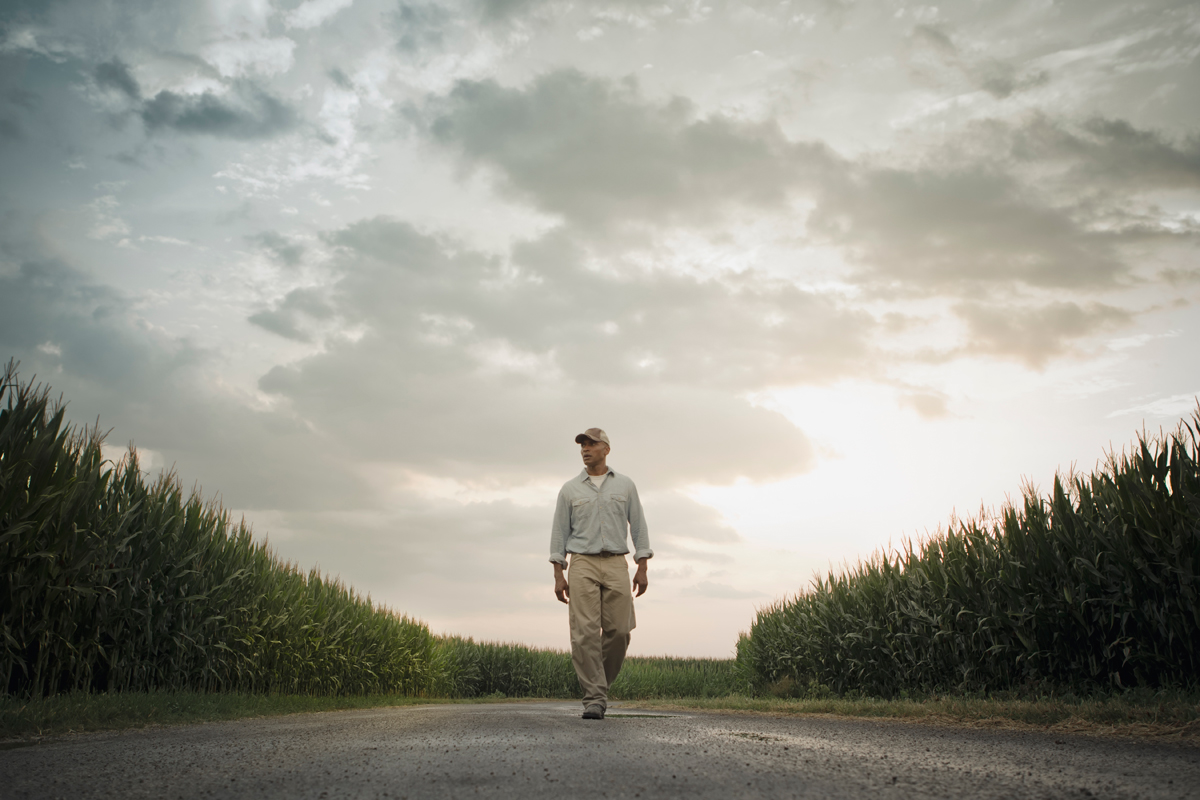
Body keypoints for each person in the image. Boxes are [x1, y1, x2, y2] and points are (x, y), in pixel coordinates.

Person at [549, 427, 652, 720]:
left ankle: (599, 687)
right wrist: (559, 573)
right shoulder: (569, 490)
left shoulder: (626, 486)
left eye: (592, 444)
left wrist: (642, 566)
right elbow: (559, 534)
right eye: (582, 445)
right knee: (584, 634)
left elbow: (639, 527)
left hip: (617, 562)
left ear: (606, 449)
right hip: (582, 562)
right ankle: (594, 698)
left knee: (619, 631)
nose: (585, 449)